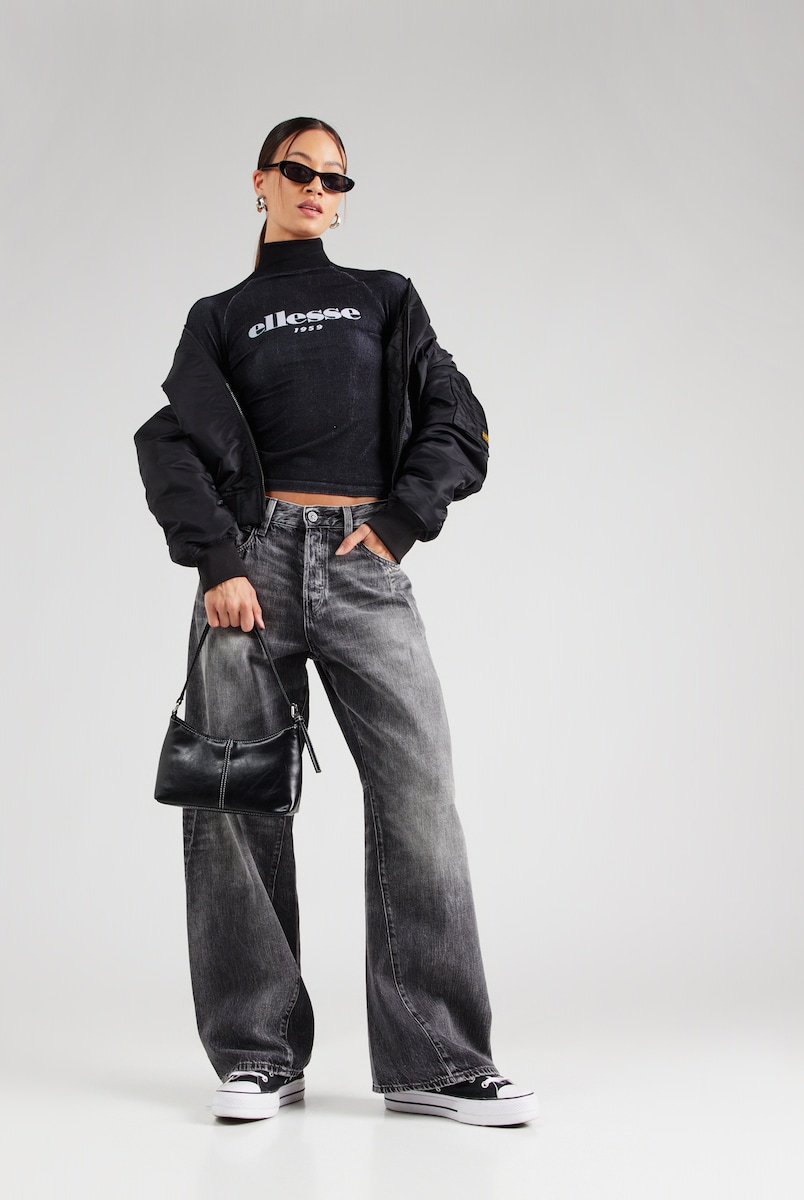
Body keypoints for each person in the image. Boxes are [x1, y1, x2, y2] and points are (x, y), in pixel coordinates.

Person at [134, 116, 538, 1127]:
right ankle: (258, 1054)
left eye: (336, 177)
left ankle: (437, 1061)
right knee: (233, 803)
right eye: (300, 170)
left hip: (362, 563)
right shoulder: (218, 317)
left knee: (419, 794)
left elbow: (457, 415)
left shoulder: (384, 298)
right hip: (251, 566)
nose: (319, 187)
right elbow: (169, 441)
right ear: (261, 182)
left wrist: (399, 522)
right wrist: (219, 559)